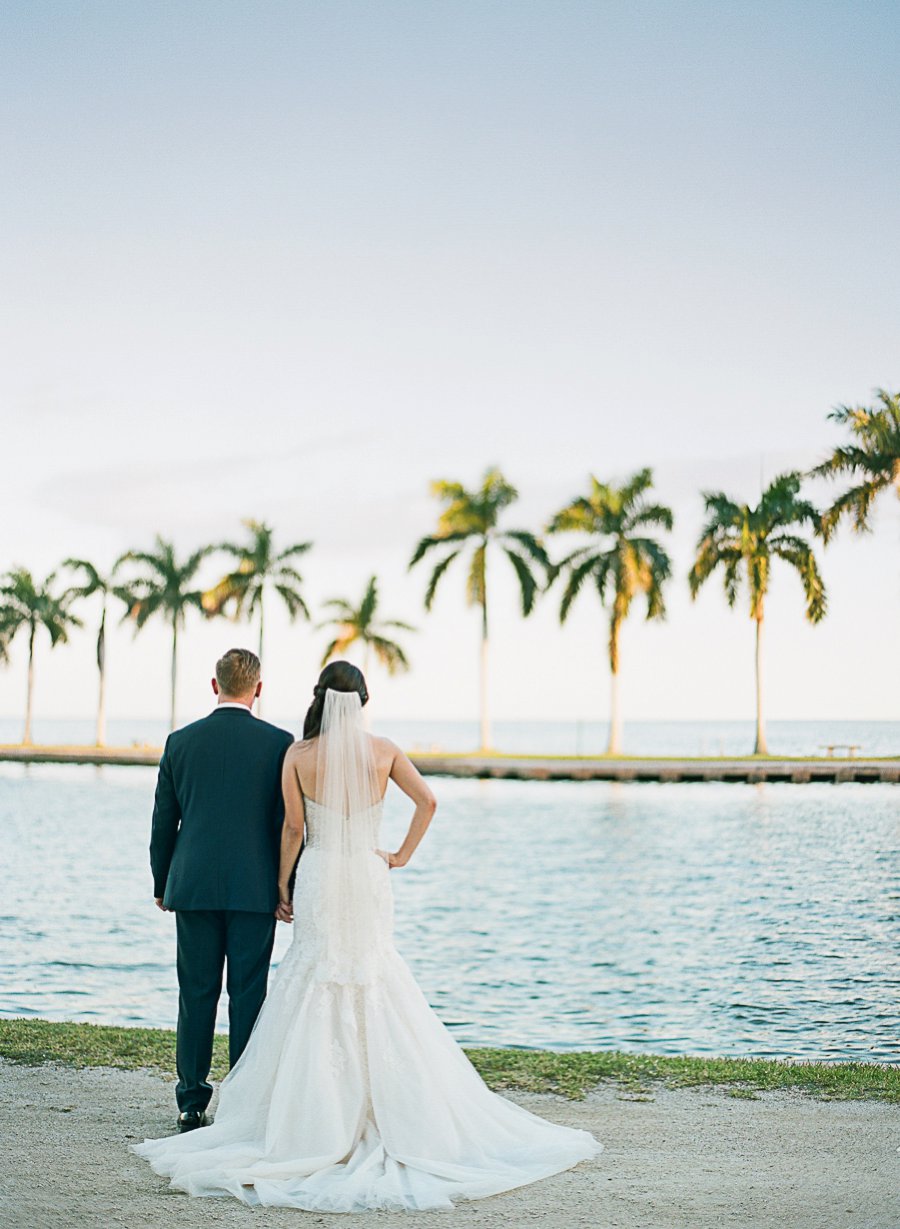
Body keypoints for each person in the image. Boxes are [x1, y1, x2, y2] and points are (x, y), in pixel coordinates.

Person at [134, 661, 601, 1211]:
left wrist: (259, 883)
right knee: (321, 984)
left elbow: (270, 826)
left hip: (276, 877)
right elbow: (426, 801)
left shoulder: (278, 751)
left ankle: (211, 1104)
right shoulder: (356, 748)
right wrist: (398, 856)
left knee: (249, 988)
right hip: (361, 875)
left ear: (218, 685)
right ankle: (330, 1101)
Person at [147, 647, 294, 1133]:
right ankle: (244, 1103)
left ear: (215, 686)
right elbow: (286, 824)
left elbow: (164, 821)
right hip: (255, 889)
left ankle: (191, 1103)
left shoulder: (180, 742)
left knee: (196, 994)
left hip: (192, 885)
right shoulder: (280, 745)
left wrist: (161, 881)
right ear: (258, 688)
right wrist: (285, 886)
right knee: (249, 995)